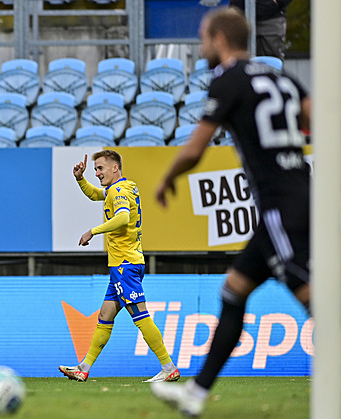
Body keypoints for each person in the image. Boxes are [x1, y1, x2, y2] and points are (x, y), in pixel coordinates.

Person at [151, 7, 310, 417]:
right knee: (234, 289)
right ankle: (196, 394)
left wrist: (167, 179)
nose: (201, 45)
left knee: (313, 297)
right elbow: (315, 117)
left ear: (220, 39)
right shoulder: (281, 77)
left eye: (204, 37)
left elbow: (195, 148)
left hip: (279, 206)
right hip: (299, 192)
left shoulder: (228, 78)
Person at [59, 150, 180, 383]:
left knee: (141, 316)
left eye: (100, 168)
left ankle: (168, 367)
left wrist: (92, 231)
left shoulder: (118, 191)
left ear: (115, 167)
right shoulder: (123, 187)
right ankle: (84, 368)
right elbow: (97, 195)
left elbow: (123, 217)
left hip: (126, 265)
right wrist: (80, 179)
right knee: (105, 315)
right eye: (95, 169)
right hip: (122, 265)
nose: (97, 173)